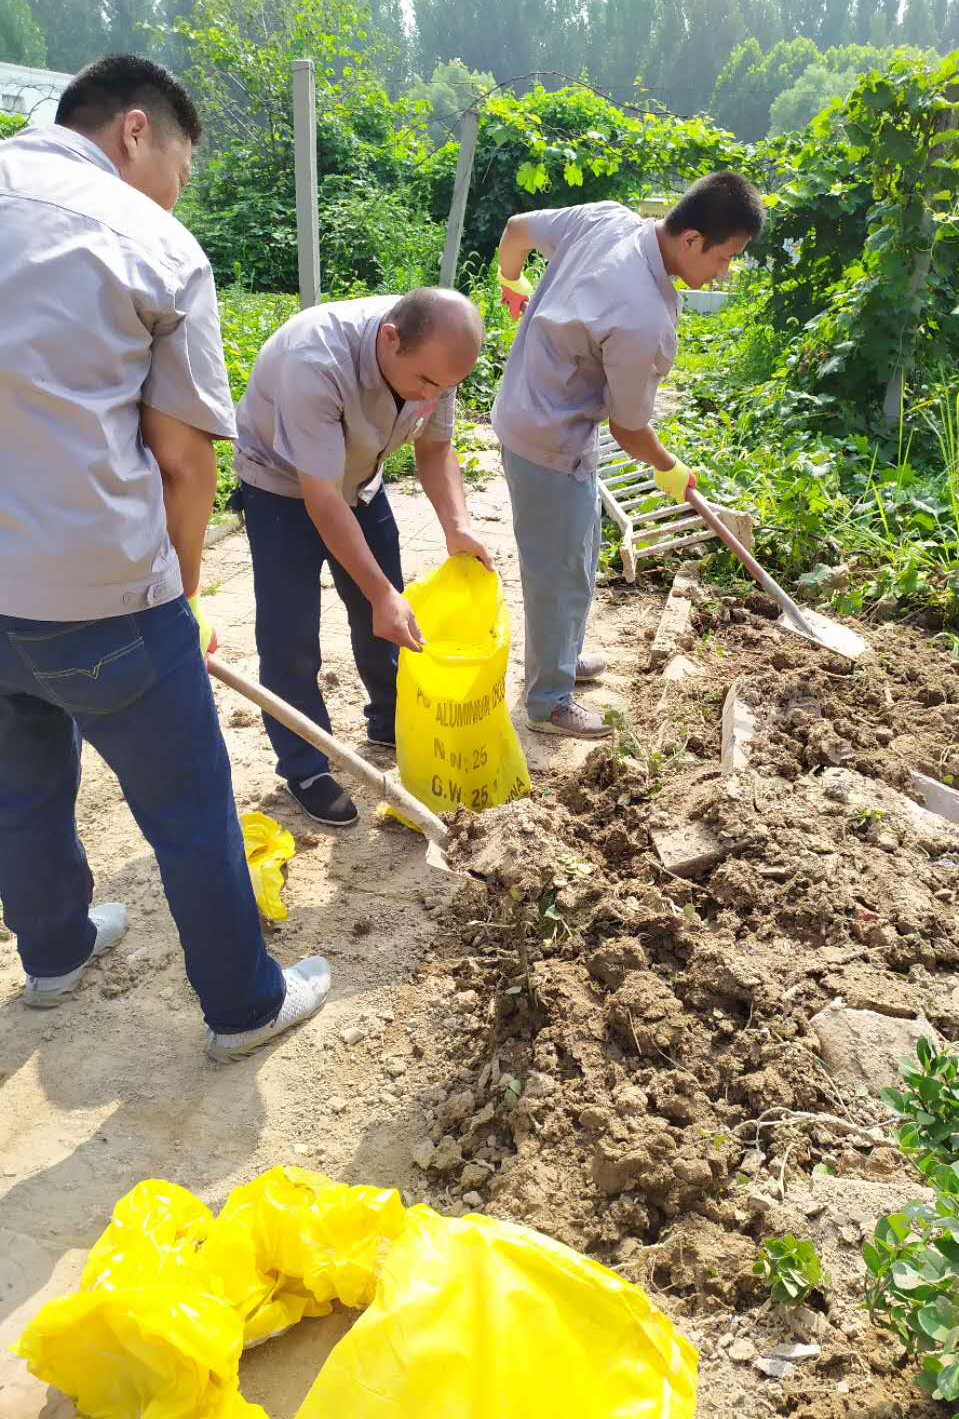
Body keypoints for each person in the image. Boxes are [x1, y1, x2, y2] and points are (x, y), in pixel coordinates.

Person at [0, 55, 330, 1061]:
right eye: (182, 167)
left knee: (18, 787)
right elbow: (184, 461)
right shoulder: (148, 239)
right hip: (100, 594)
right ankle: (244, 1006)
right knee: (189, 809)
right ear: (135, 130)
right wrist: (180, 599)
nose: (178, 191)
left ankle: (54, 952)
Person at [492, 171, 766, 738]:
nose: (725, 272)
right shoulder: (643, 315)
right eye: (724, 258)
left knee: (580, 554)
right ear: (691, 239)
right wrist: (669, 467)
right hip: (547, 439)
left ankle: (561, 659)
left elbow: (516, 230)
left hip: (537, 409)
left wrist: (510, 281)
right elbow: (630, 428)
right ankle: (547, 703)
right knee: (557, 572)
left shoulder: (607, 218)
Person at [232, 288, 493, 827]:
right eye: (426, 382)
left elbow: (435, 448)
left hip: (359, 481)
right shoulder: (316, 360)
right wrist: (379, 593)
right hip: (281, 487)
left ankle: (390, 719)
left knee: (389, 619)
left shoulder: (436, 357)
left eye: (445, 387)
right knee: (290, 639)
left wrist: (458, 527)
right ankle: (306, 765)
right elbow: (322, 497)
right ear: (390, 338)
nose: (433, 394)